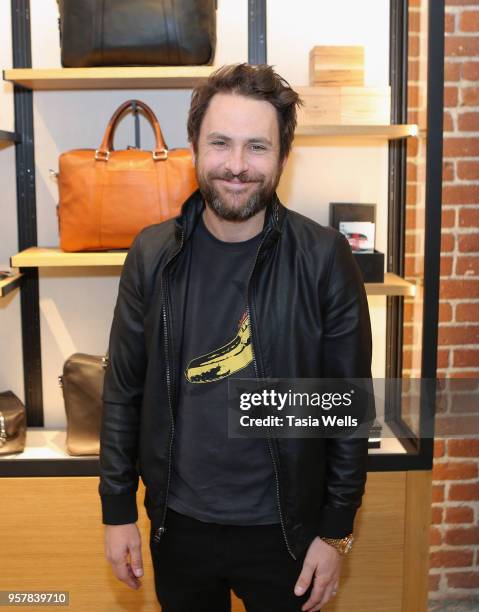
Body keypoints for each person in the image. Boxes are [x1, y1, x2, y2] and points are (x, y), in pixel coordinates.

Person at [99, 63, 373, 612]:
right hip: (178, 529)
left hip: (286, 532)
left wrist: (336, 531)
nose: (237, 166)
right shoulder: (152, 255)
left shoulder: (322, 258)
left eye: (257, 147)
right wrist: (118, 510)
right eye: (220, 143)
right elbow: (123, 392)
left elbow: (347, 406)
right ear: (195, 147)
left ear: (282, 157)